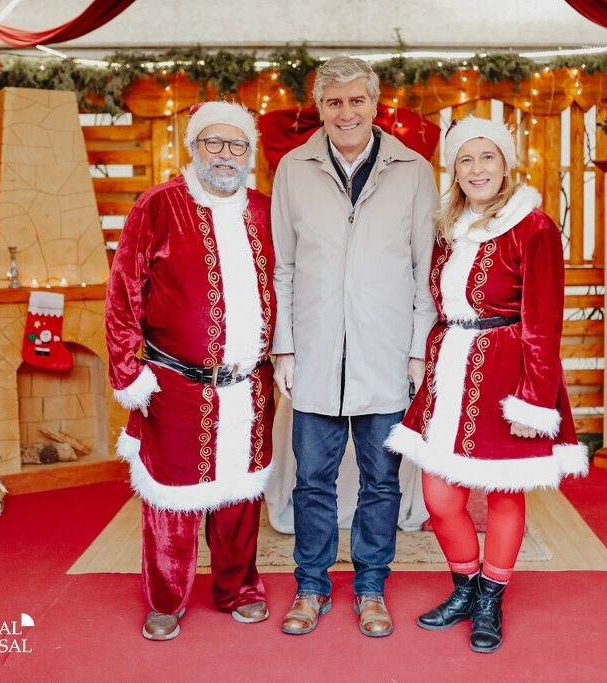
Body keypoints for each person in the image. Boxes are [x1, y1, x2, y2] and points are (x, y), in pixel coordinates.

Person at [385, 116, 589, 653]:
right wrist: (421, 359)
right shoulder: (447, 225)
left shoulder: (534, 226)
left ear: (506, 163)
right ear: (453, 168)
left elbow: (543, 321)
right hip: (450, 364)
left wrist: (535, 398)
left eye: (487, 157)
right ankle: (466, 587)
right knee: (440, 497)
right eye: (465, 159)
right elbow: (434, 302)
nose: (476, 169)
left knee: (502, 495)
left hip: (507, 369)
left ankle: (491, 600)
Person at [271, 55, 438, 638]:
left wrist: (418, 352)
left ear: (375, 103)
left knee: (382, 482)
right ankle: (311, 587)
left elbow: (425, 270)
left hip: (386, 354)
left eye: (356, 101)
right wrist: (284, 350)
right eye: (334, 102)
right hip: (313, 353)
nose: (346, 112)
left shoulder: (414, 171)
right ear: (320, 108)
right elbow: (283, 269)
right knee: (311, 480)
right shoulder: (292, 169)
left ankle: (371, 587)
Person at [105, 101, 276, 641]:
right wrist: (128, 370)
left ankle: (238, 588)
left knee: (239, 499)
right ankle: (166, 598)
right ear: (194, 147)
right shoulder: (157, 206)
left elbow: (290, 287)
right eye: (214, 143)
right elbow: (122, 295)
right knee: (171, 502)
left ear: (249, 154)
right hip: (175, 384)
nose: (225, 155)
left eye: (237, 145)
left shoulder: (267, 212)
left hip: (249, 385)